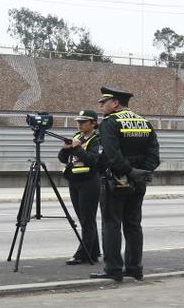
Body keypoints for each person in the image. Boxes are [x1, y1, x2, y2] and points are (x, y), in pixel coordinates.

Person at [90, 86, 160, 282]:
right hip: (138, 181)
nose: (101, 106)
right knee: (133, 225)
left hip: (116, 180)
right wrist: (141, 172)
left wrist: (128, 172)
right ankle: (135, 268)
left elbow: (111, 154)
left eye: (104, 102)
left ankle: (113, 269)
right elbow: (154, 155)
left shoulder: (110, 123)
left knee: (111, 224)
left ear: (115, 103)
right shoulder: (144, 122)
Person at [58, 109, 102, 265]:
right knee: (85, 219)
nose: (80, 124)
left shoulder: (97, 139)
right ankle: (94, 251)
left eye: (83, 122)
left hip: (90, 182)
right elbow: (63, 159)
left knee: (87, 219)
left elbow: (93, 160)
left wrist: (76, 148)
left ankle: (83, 254)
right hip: (75, 182)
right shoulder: (77, 137)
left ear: (93, 123)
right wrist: (65, 148)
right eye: (78, 121)